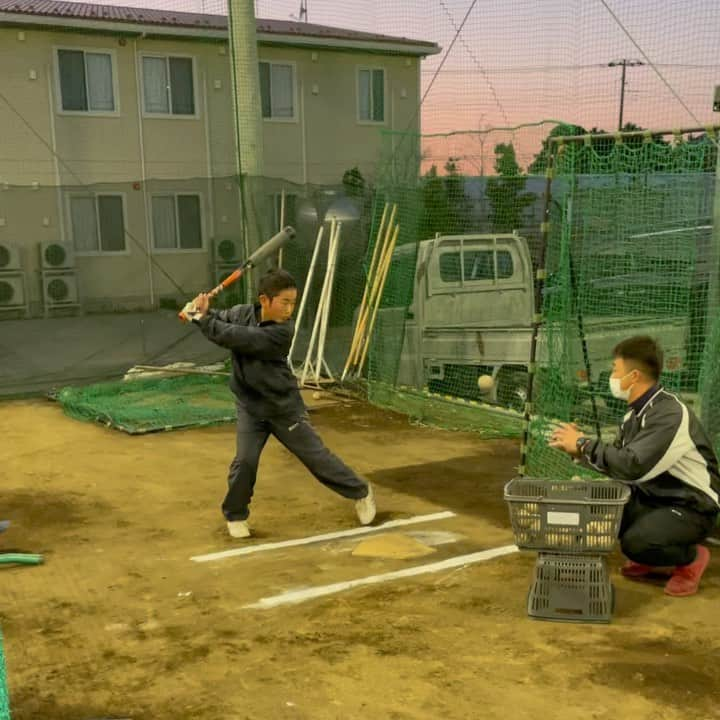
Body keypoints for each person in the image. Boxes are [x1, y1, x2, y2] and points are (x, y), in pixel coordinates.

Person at [191, 268, 376, 538]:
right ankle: (236, 515)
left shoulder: (282, 333)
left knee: (316, 458)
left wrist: (200, 318)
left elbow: (232, 336)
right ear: (265, 300)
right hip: (250, 406)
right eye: (285, 302)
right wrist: (202, 309)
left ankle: (361, 492)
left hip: (282, 407)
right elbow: (220, 319)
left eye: (293, 303)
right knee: (245, 461)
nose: (290, 309)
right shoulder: (244, 313)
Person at [550, 336, 719, 597]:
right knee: (600, 514)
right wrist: (578, 451)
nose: (612, 376)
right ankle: (651, 551)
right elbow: (618, 461)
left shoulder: (669, 413)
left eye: (616, 370)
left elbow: (632, 466)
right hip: (653, 497)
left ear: (635, 376)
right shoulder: (634, 413)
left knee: (637, 543)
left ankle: (691, 558)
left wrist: (583, 444)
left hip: (691, 507)